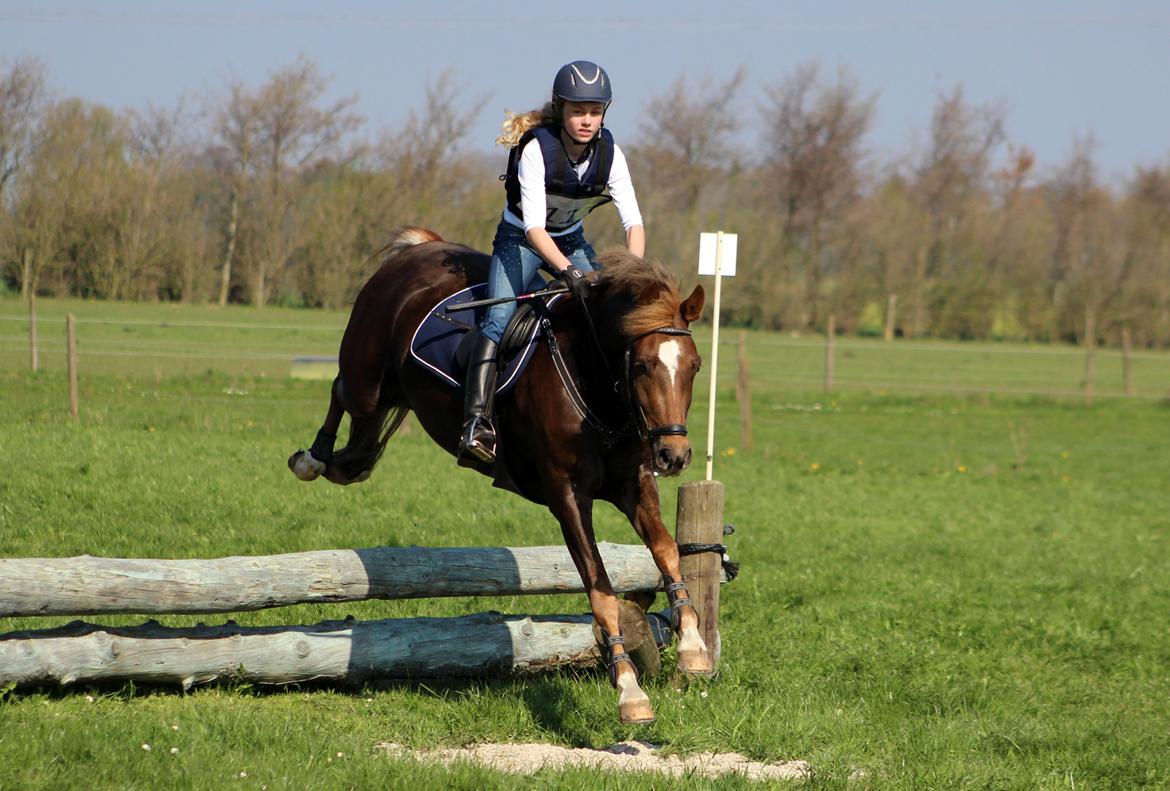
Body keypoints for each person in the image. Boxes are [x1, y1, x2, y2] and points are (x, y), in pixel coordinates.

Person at [458, 60, 645, 465]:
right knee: (498, 317)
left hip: (571, 239)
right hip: (522, 240)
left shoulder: (612, 155)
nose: (587, 120)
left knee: (608, 313)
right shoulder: (536, 150)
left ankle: (620, 418)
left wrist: (633, 272)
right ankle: (477, 423)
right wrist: (570, 271)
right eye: (578, 111)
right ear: (560, 109)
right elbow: (535, 231)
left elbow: (634, 223)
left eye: (595, 112)